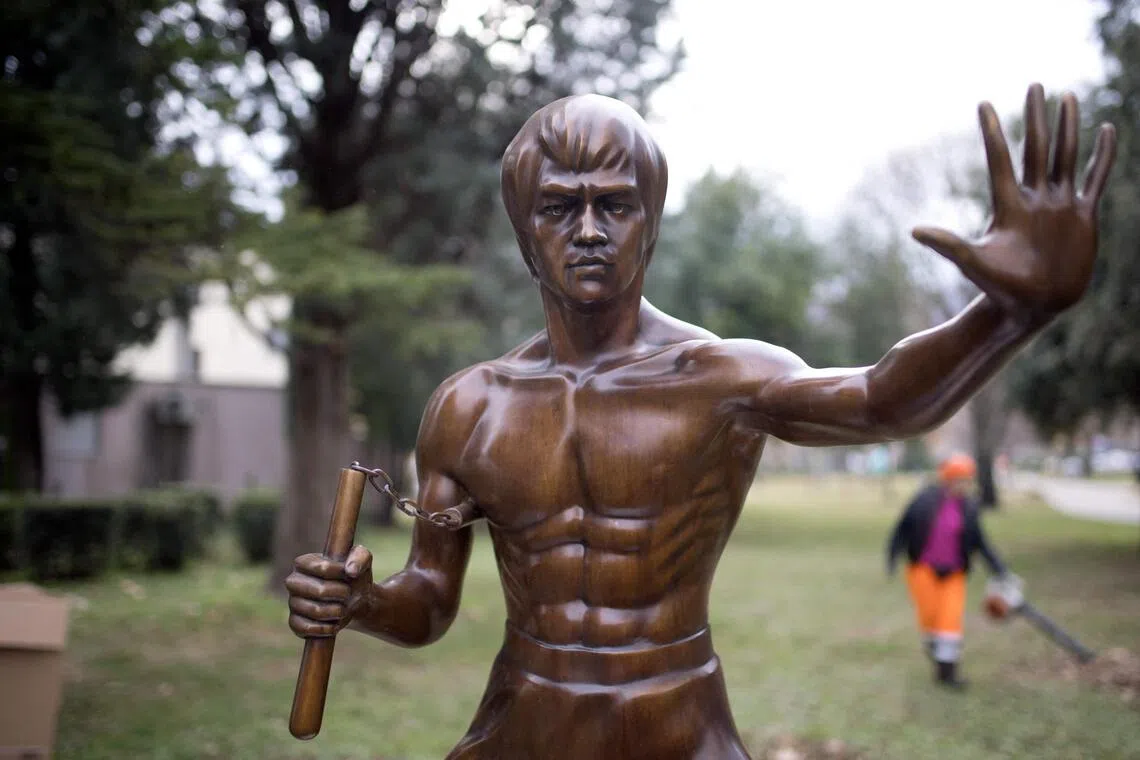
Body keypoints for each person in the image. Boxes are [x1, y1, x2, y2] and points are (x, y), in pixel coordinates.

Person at [285, 88, 1114, 759]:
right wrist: (364, 602)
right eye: (558, 208)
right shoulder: (471, 405)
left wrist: (1009, 312)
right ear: (522, 231)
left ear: (651, 220)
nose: (587, 232)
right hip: (523, 724)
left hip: (675, 723)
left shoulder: (717, 378)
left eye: (615, 205)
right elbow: (430, 603)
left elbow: (878, 399)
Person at [886, 453, 1009, 689]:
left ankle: (947, 672)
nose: (964, 484)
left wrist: (999, 569)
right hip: (923, 570)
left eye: (967, 480)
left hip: (954, 573)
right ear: (948, 479)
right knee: (930, 617)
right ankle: (934, 647)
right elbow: (902, 529)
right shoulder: (924, 500)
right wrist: (892, 557)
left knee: (950, 620)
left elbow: (981, 542)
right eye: (960, 479)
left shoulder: (969, 508)